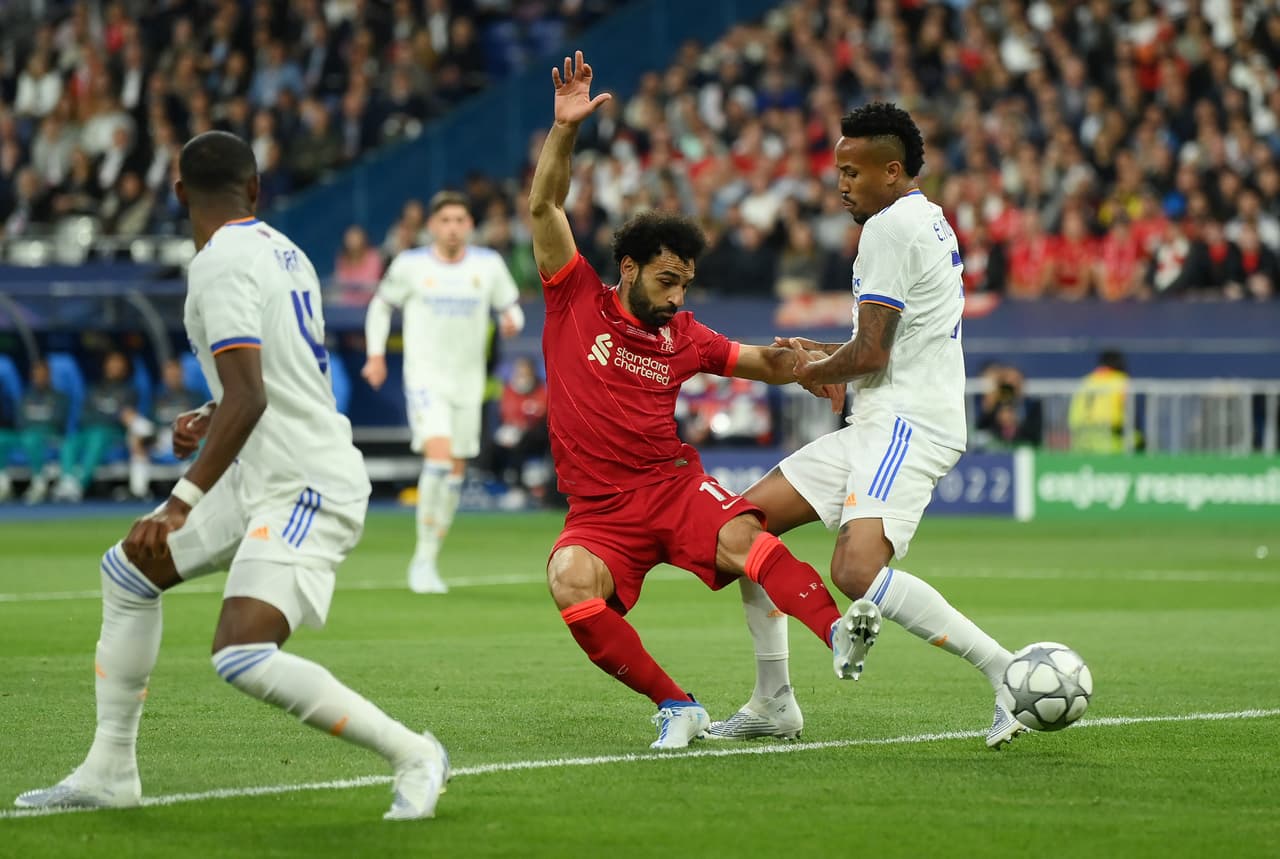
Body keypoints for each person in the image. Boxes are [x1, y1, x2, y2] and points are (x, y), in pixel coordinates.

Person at [15, 131, 447, 821]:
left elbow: (255, 394)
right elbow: (272, 378)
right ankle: (109, 771)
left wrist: (180, 500)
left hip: (304, 482)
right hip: (260, 469)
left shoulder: (217, 264)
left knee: (241, 652)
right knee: (128, 571)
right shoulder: (285, 249)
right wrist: (213, 411)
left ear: (178, 191)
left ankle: (416, 752)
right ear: (254, 190)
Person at [529, 52, 852, 751]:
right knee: (568, 577)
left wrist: (814, 363)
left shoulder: (685, 332)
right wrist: (565, 131)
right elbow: (545, 205)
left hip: (671, 486)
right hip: (600, 511)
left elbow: (756, 359)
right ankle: (677, 705)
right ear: (630, 269)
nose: (678, 298)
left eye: (687, 286)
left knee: (745, 537)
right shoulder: (572, 294)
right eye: (669, 282)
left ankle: (838, 628)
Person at [710, 103, 1031, 750]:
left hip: (906, 422)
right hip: (881, 419)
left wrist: (814, 367)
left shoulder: (891, 228)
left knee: (855, 572)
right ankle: (773, 699)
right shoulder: (925, 219)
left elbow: (874, 354)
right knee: (738, 529)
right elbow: (877, 343)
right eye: (838, 171)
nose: (842, 184)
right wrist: (829, 358)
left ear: (892, 170)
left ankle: (1009, 674)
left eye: (853, 171)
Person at [362, 190, 526, 594]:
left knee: (454, 473)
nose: (452, 228)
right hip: (425, 378)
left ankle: (430, 557)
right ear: (432, 226)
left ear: (470, 226)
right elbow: (381, 306)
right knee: (437, 459)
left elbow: (513, 307)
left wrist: (512, 321)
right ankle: (420, 558)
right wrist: (376, 355)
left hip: (468, 383)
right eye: (445, 220)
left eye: (460, 220)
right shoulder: (411, 265)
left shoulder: (488, 266)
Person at [52, 351, 149, 503]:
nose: (115, 366)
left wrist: (108, 416)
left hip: (113, 433)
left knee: (98, 437)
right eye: (112, 363)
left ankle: (80, 484)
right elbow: (84, 415)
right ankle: (67, 481)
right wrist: (111, 414)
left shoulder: (130, 391)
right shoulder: (94, 389)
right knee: (70, 441)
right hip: (89, 430)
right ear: (106, 366)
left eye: (119, 363)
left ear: (125, 368)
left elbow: (126, 417)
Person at [0, 361, 70, 504]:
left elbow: (58, 422)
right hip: (26, 434)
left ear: (49, 375)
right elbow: (20, 421)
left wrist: (37, 425)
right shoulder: (25, 397)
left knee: (31, 438)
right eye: (36, 374)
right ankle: (3, 483)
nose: (39, 377)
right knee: (2, 437)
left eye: (43, 374)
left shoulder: (60, 397)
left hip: (50, 437)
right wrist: (34, 424)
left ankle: (39, 481)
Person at [492, 356, 550, 506]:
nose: (522, 377)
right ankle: (499, 482)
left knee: (523, 443)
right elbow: (507, 412)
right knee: (495, 447)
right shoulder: (509, 390)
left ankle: (522, 488)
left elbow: (541, 412)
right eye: (519, 372)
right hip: (512, 433)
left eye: (525, 372)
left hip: (537, 437)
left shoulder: (542, 390)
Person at [1068, 349, 1130, 453]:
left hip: (1082, 442)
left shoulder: (1086, 381)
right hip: (1111, 442)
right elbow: (1129, 409)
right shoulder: (1120, 380)